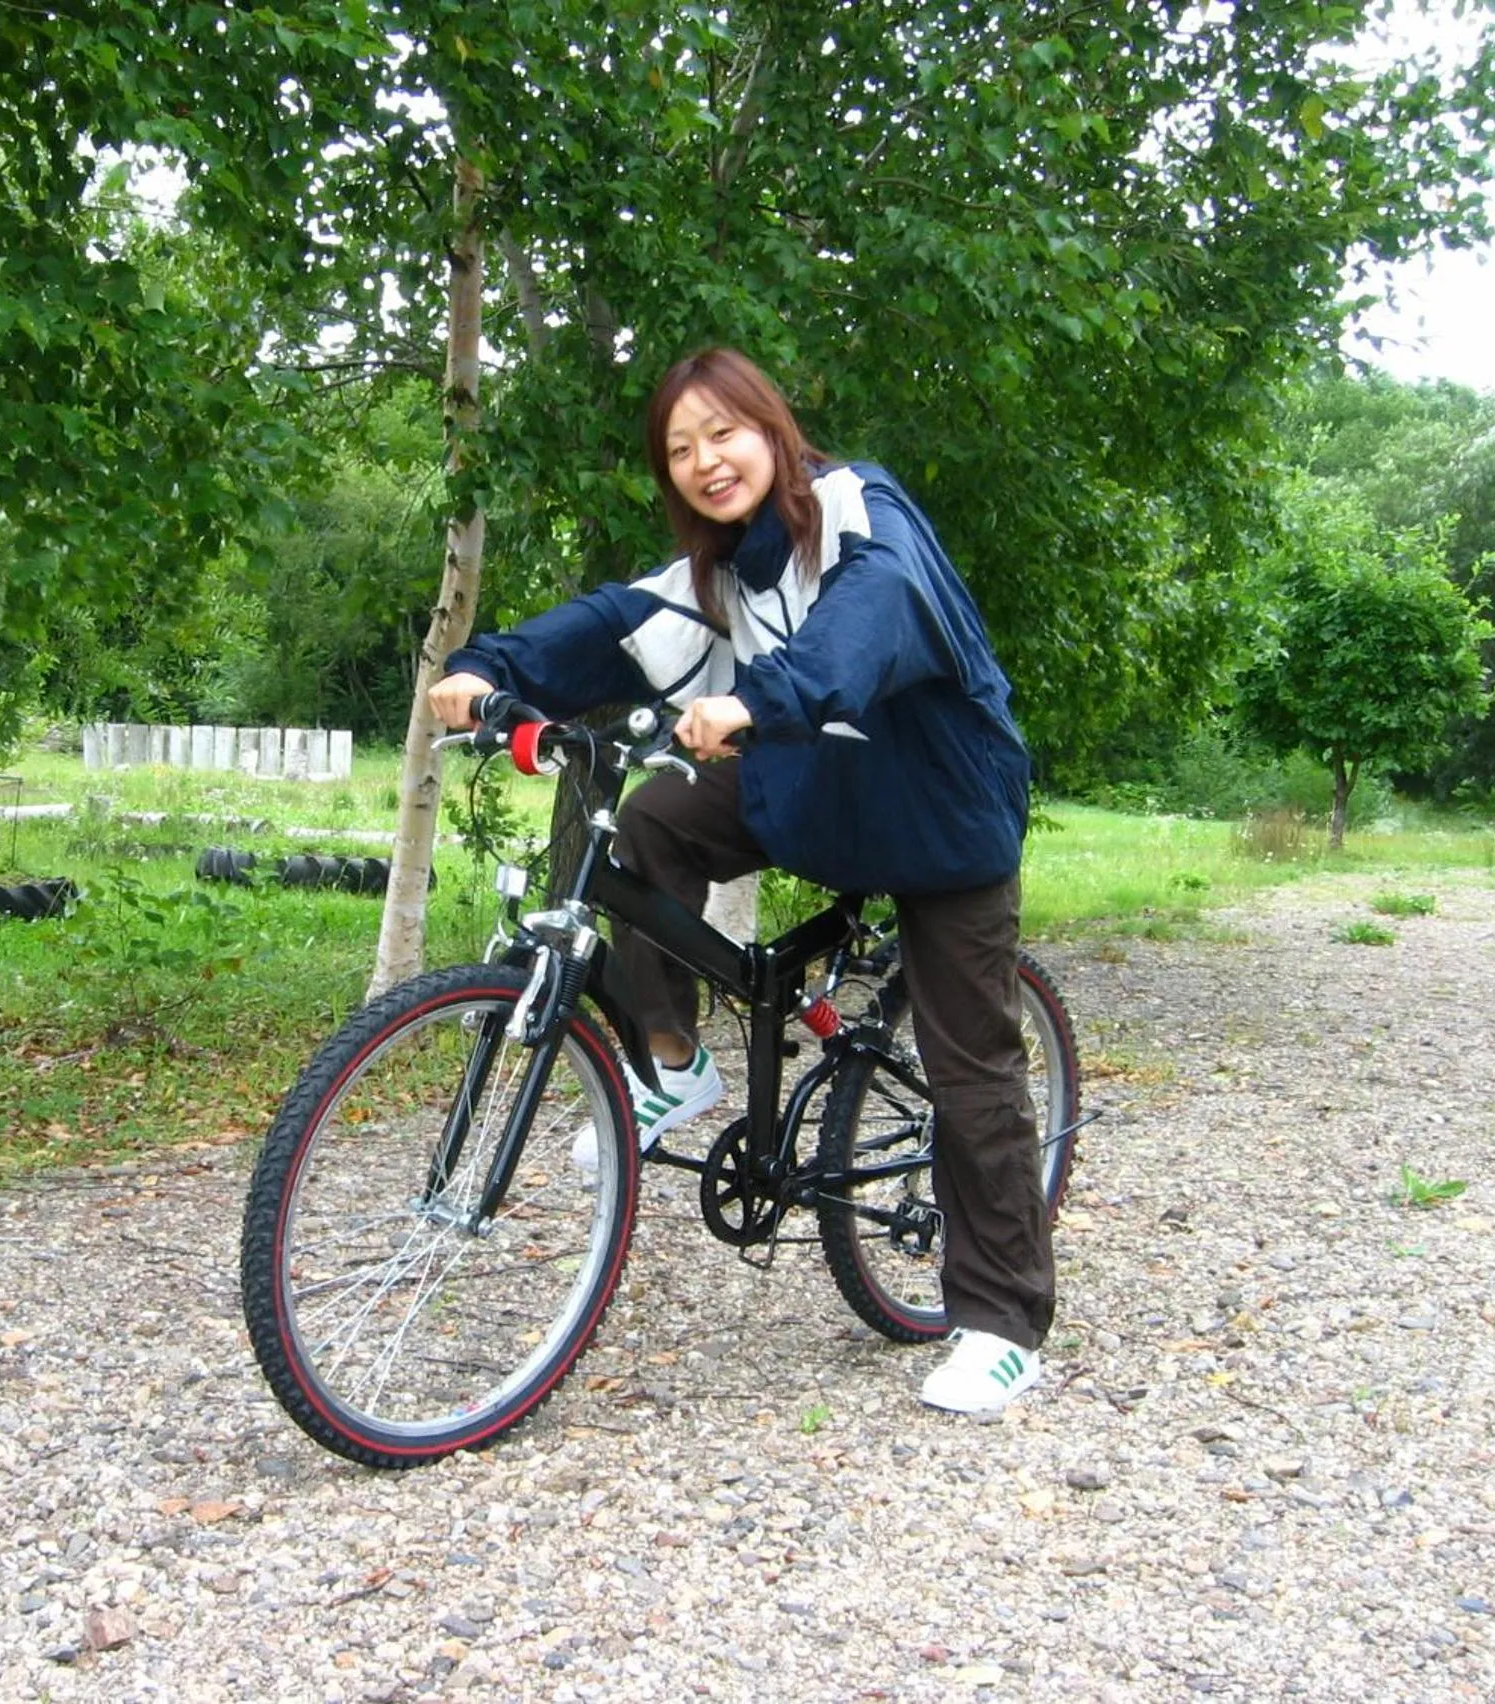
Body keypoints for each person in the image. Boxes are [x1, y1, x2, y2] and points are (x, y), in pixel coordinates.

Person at [428, 347, 1051, 1415]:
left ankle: (1000, 1322)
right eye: (680, 450)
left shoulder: (860, 510)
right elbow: (611, 623)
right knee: (642, 827)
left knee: (969, 1065)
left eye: (723, 432)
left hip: (938, 810)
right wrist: (492, 670)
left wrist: (761, 699)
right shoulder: (717, 576)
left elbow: (872, 613)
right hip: (815, 791)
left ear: (771, 429)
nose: (705, 461)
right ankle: (671, 1059)